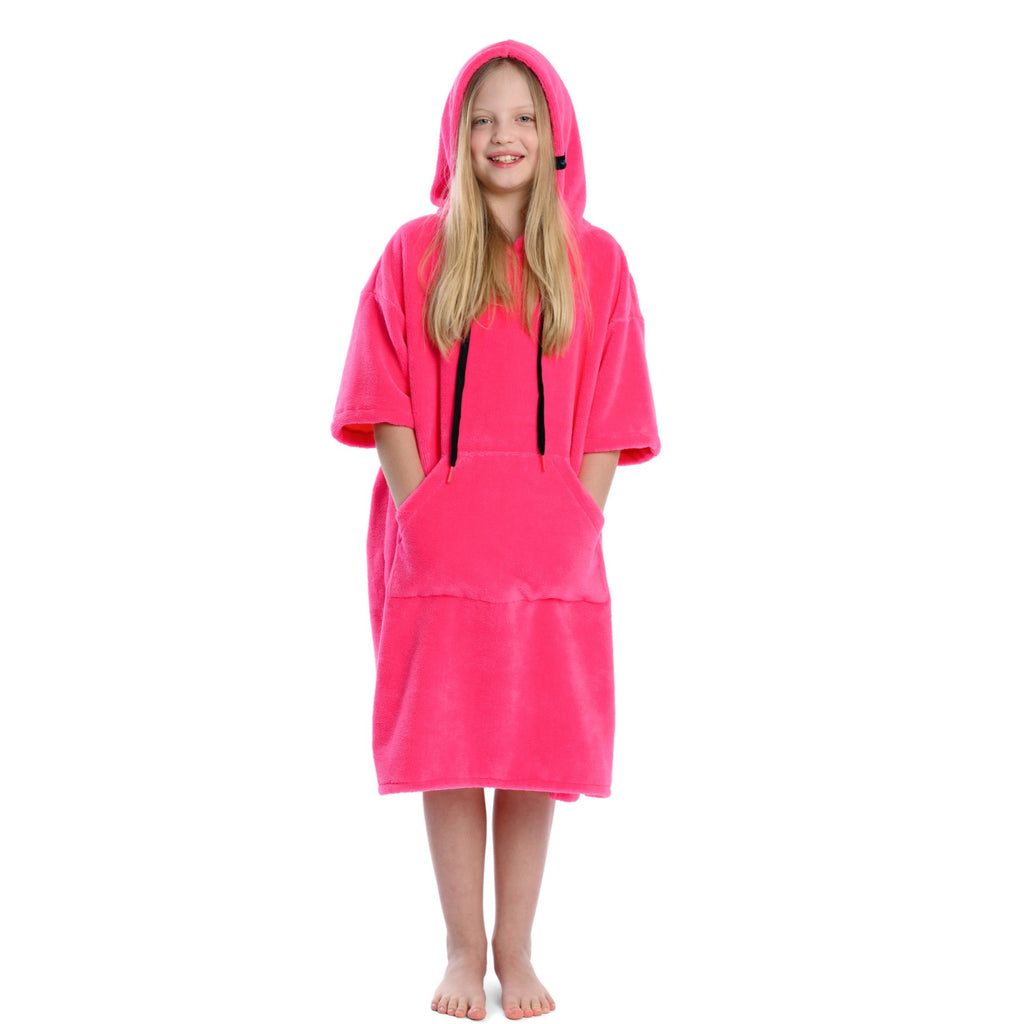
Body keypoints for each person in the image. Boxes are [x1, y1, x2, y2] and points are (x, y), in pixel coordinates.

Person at [331, 40, 660, 1020]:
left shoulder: (598, 261)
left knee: (533, 749)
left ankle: (515, 949)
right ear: (455, 136)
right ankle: (461, 947)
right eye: (482, 119)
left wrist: (577, 515)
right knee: (448, 745)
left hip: (551, 548)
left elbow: (613, 408)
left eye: (522, 117)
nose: (502, 135)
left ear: (556, 136)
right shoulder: (415, 253)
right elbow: (382, 390)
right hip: (438, 544)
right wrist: (420, 506)